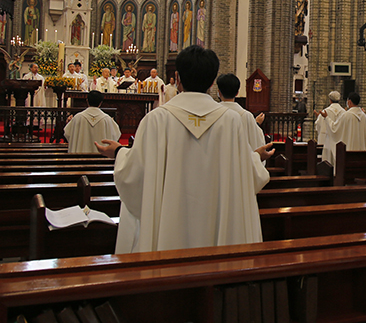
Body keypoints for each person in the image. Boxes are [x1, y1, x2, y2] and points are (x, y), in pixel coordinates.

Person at [95, 45, 273, 254]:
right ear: (212, 82)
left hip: (168, 235)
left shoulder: (156, 120)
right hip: (218, 235)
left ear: (177, 78)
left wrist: (118, 153)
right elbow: (246, 176)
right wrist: (255, 157)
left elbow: (135, 175)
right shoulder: (231, 121)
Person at [217, 73, 266, 152]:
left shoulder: (212, 114)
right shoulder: (246, 116)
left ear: (219, 93)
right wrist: (256, 124)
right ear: (237, 93)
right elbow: (256, 144)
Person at [317, 92, 366, 166]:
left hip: (348, 155)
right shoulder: (364, 116)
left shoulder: (346, 115)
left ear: (349, 101)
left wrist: (326, 117)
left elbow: (334, 128)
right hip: (362, 156)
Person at [314, 91, 345, 156]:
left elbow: (318, 126)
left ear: (330, 100)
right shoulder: (344, 112)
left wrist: (318, 118)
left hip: (327, 143)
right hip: (340, 143)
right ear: (339, 99)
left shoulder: (325, 112)